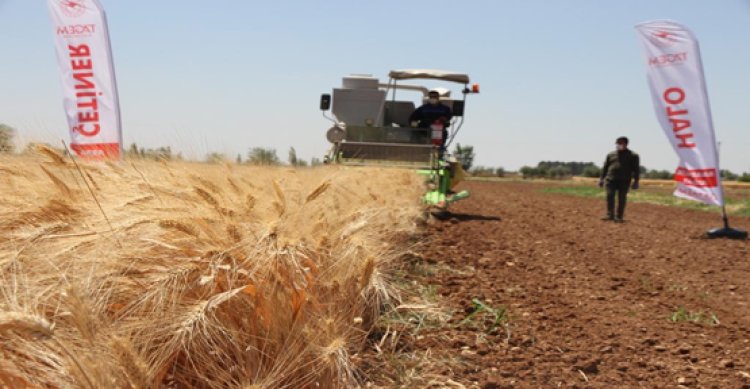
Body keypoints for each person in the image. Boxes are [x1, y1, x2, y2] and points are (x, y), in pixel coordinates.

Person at [599, 136, 640, 223]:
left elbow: (636, 169)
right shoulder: (610, 154)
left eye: (620, 143)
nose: (618, 145)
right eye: (617, 143)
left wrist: (636, 181)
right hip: (611, 179)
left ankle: (619, 216)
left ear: (626, 144)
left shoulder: (633, 155)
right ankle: (610, 215)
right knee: (610, 196)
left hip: (624, 180)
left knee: (622, 198)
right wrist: (601, 179)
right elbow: (605, 167)